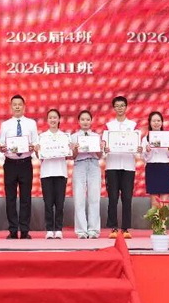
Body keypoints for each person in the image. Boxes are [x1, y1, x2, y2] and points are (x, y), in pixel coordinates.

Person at [0, 95, 38, 239]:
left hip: (25, 163)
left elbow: (36, 142)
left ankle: (25, 230)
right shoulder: (5, 125)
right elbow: (1, 144)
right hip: (10, 163)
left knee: (26, 198)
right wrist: (1, 147)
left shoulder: (31, 123)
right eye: (14, 104)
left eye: (19, 104)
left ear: (24, 106)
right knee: (10, 198)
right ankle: (13, 230)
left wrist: (34, 146)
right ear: (11, 107)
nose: (17, 107)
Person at [104, 95, 139, 239]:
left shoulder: (133, 125)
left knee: (127, 197)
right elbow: (104, 147)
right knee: (112, 197)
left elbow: (137, 148)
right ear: (114, 108)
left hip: (128, 166)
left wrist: (138, 148)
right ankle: (113, 227)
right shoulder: (109, 126)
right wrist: (105, 149)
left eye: (122, 105)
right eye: (117, 106)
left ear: (126, 107)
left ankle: (125, 228)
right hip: (112, 165)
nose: (120, 108)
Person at [37, 109, 68, 239]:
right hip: (46, 173)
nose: (53, 120)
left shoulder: (65, 137)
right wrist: (37, 151)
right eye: (50, 118)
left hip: (61, 172)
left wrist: (71, 148)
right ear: (47, 120)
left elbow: (68, 154)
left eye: (55, 117)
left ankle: (59, 229)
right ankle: (49, 229)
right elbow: (39, 156)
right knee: (48, 203)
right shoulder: (42, 137)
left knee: (60, 203)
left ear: (59, 119)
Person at [71, 110, 102, 240]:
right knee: (79, 198)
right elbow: (72, 156)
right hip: (79, 165)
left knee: (94, 198)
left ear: (91, 121)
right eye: (82, 119)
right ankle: (81, 231)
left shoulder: (96, 136)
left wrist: (99, 148)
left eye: (87, 119)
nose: (85, 122)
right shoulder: (73, 137)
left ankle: (93, 230)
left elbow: (100, 156)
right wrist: (75, 149)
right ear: (78, 121)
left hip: (93, 164)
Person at [142, 111, 169, 209]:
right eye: (154, 121)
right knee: (154, 200)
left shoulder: (168, 137)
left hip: (164, 167)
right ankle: (155, 219)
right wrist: (148, 151)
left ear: (162, 122)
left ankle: (164, 219)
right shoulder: (145, 139)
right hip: (152, 168)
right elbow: (145, 158)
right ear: (150, 122)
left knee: (164, 199)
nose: (156, 123)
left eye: (158, 121)